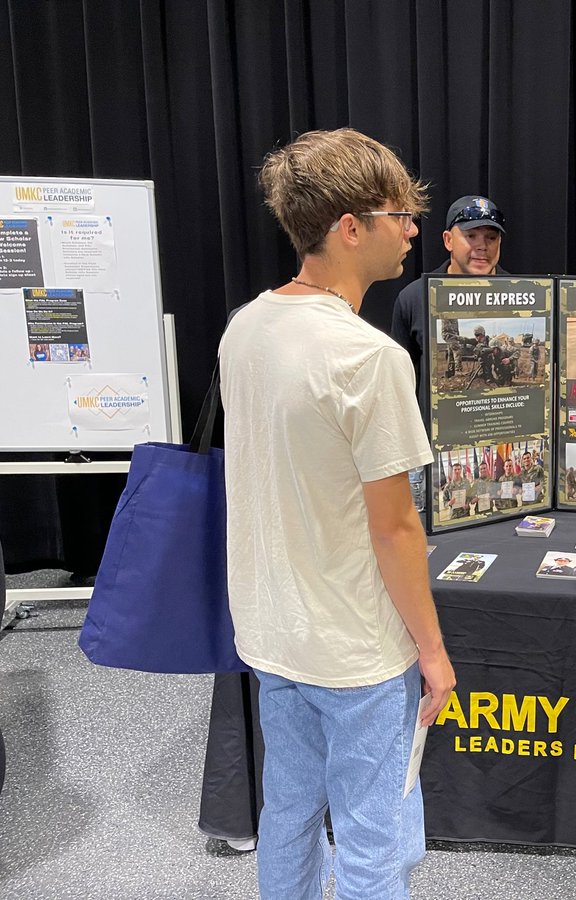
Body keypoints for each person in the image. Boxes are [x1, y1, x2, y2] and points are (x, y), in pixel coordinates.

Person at [219, 128, 456, 900]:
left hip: (272, 629)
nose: (414, 230)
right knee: (372, 833)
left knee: (288, 809)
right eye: (400, 214)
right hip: (356, 647)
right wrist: (433, 650)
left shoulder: (244, 327)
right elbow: (395, 528)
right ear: (350, 227)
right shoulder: (368, 358)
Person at [390, 195, 508, 385]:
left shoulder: (526, 294)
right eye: (471, 236)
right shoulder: (416, 297)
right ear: (448, 240)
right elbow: (399, 380)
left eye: (491, 237)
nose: (482, 246)